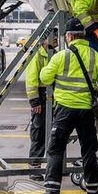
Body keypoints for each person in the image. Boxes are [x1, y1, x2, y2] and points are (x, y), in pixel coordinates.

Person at [35, 18, 98, 194]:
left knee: (55, 149)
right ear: (83, 36)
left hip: (64, 111)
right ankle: (93, 190)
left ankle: (52, 191)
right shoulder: (95, 56)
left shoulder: (61, 56)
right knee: (89, 149)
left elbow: (44, 78)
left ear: (69, 36)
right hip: (86, 111)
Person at [25, 30, 57, 181]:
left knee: (54, 133)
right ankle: (34, 168)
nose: (57, 40)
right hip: (41, 97)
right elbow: (31, 80)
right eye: (55, 37)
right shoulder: (37, 55)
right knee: (39, 133)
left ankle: (56, 166)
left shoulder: (55, 53)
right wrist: (35, 101)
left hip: (52, 97)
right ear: (46, 40)